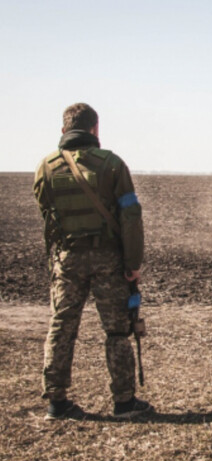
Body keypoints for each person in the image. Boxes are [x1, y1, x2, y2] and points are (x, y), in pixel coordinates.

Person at [33, 103, 152, 420]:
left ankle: (57, 402)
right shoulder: (112, 165)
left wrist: (55, 261)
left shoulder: (45, 168)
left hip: (66, 259)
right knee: (116, 331)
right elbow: (130, 215)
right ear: (95, 129)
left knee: (61, 327)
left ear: (64, 131)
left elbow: (48, 218)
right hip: (107, 260)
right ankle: (124, 402)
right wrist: (133, 261)